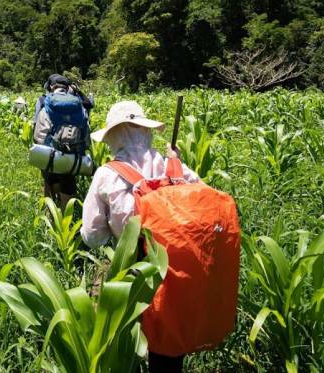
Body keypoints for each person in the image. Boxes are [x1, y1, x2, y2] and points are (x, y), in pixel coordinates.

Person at [81, 100, 200, 373]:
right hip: (177, 267)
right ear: (146, 131)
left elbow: (92, 236)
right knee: (167, 342)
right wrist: (177, 165)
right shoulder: (174, 169)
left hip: (129, 266)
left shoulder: (106, 175)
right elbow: (200, 203)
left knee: (123, 340)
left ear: (112, 137)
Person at [32, 74, 91, 208]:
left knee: (49, 180)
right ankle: (67, 221)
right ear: (67, 87)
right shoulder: (78, 104)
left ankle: (50, 216)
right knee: (68, 184)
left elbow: (37, 129)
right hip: (73, 155)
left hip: (50, 152)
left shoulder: (43, 100)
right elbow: (86, 131)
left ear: (51, 86)